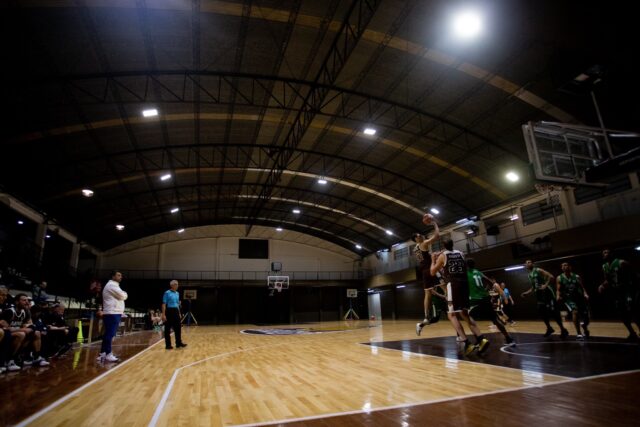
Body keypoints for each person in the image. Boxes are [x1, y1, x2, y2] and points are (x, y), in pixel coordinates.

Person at [431, 238, 484, 356]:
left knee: (451, 315)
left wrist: (433, 260)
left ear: (443, 246)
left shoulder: (443, 255)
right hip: (464, 284)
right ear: (453, 244)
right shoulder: (461, 253)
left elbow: (432, 272)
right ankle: (481, 338)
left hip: (453, 285)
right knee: (464, 313)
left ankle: (466, 342)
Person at [467, 259, 516, 348]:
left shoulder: (466, 273)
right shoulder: (478, 272)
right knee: (495, 320)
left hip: (475, 300)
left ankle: (479, 339)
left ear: (466, 266)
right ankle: (509, 339)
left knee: (468, 318)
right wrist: (485, 290)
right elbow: (489, 282)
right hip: (485, 298)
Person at [521, 260, 569, 338]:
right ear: (525, 266)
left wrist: (545, 285)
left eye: (529, 262)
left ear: (532, 264)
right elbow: (533, 287)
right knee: (542, 312)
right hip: (539, 295)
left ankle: (563, 330)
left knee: (554, 312)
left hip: (547, 293)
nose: (528, 264)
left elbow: (551, 276)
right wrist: (526, 292)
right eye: (526, 263)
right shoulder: (529, 275)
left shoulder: (538, 270)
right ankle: (549, 328)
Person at [599, 249, 639, 341]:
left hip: (627, 290)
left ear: (612, 254)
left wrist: (634, 289)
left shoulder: (622, 262)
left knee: (633, 312)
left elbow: (634, 275)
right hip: (617, 292)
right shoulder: (604, 266)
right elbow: (608, 280)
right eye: (603, 253)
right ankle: (632, 333)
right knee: (622, 314)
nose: (605, 254)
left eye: (607, 252)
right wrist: (602, 285)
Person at [413, 218, 441, 336]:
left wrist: (436, 254)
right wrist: (434, 223)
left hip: (424, 270)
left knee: (427, 293)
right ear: (416, 238)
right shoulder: (423, 243)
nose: (422, 236)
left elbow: (427, 256)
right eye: (419, 235)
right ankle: (450, 301)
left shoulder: (415, 248)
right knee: (443, 285)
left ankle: (425, 316)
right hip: (429, 270)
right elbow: (437, 236)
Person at [98, 271, 127, 363]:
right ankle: (108, 354)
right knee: (110, 334)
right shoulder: (112, 285)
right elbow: (123, 296)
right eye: (118, 275)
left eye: (121, 275)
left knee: (108, 333)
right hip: (112, 313)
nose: (120, 277)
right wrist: (125, 293)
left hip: (112, 312)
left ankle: (103, 353)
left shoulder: (113, 285)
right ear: (112, 276)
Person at [556, 262, 590, 339]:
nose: (564, 266)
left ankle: (584, 326)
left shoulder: (576, 276)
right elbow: (558, 289)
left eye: (566, 265)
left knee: (586, 316)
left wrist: (585, 294)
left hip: (579, 297)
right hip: (569, 298)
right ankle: (579, 333)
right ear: (561, 268)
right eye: (563, 266)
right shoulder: (559, 278)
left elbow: (582, 287)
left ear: (570, 267)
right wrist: (558, 296)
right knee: (575, 311)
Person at [0, 286, 25, 372]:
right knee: (3, 332)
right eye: (2, 295)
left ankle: (9, 361)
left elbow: (4, 322)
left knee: (20, 335)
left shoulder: (4, 306)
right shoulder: (10, 309)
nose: (5, 297)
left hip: (5, 330)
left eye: (6, 295)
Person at [161, 280, 186, 350]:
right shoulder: (167, 293)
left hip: (176, 311)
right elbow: (164, 304)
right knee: (167, 329)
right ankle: (168, 345)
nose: (177, 285)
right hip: (169, 311)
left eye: (177, 284)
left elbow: (177, 304)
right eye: (176, 284)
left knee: (178, 328)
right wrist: (163, 314)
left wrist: (179, 313)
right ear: (172, 285)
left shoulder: (177, 293)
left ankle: (178, 343)